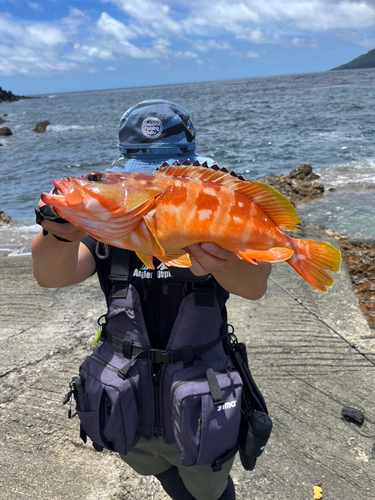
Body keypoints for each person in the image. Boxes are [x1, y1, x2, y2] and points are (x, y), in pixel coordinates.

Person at [32, 99, 271, 500]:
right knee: (156, 469)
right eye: (140, 182)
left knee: (210, 487)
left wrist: (225, 263)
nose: (151, 195)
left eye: (165, 184)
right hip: (131, 398)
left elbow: (255, 285)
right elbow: (50, 276)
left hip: (203, 399)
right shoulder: (108, 230)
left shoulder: (211, 220)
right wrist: (58, 233)